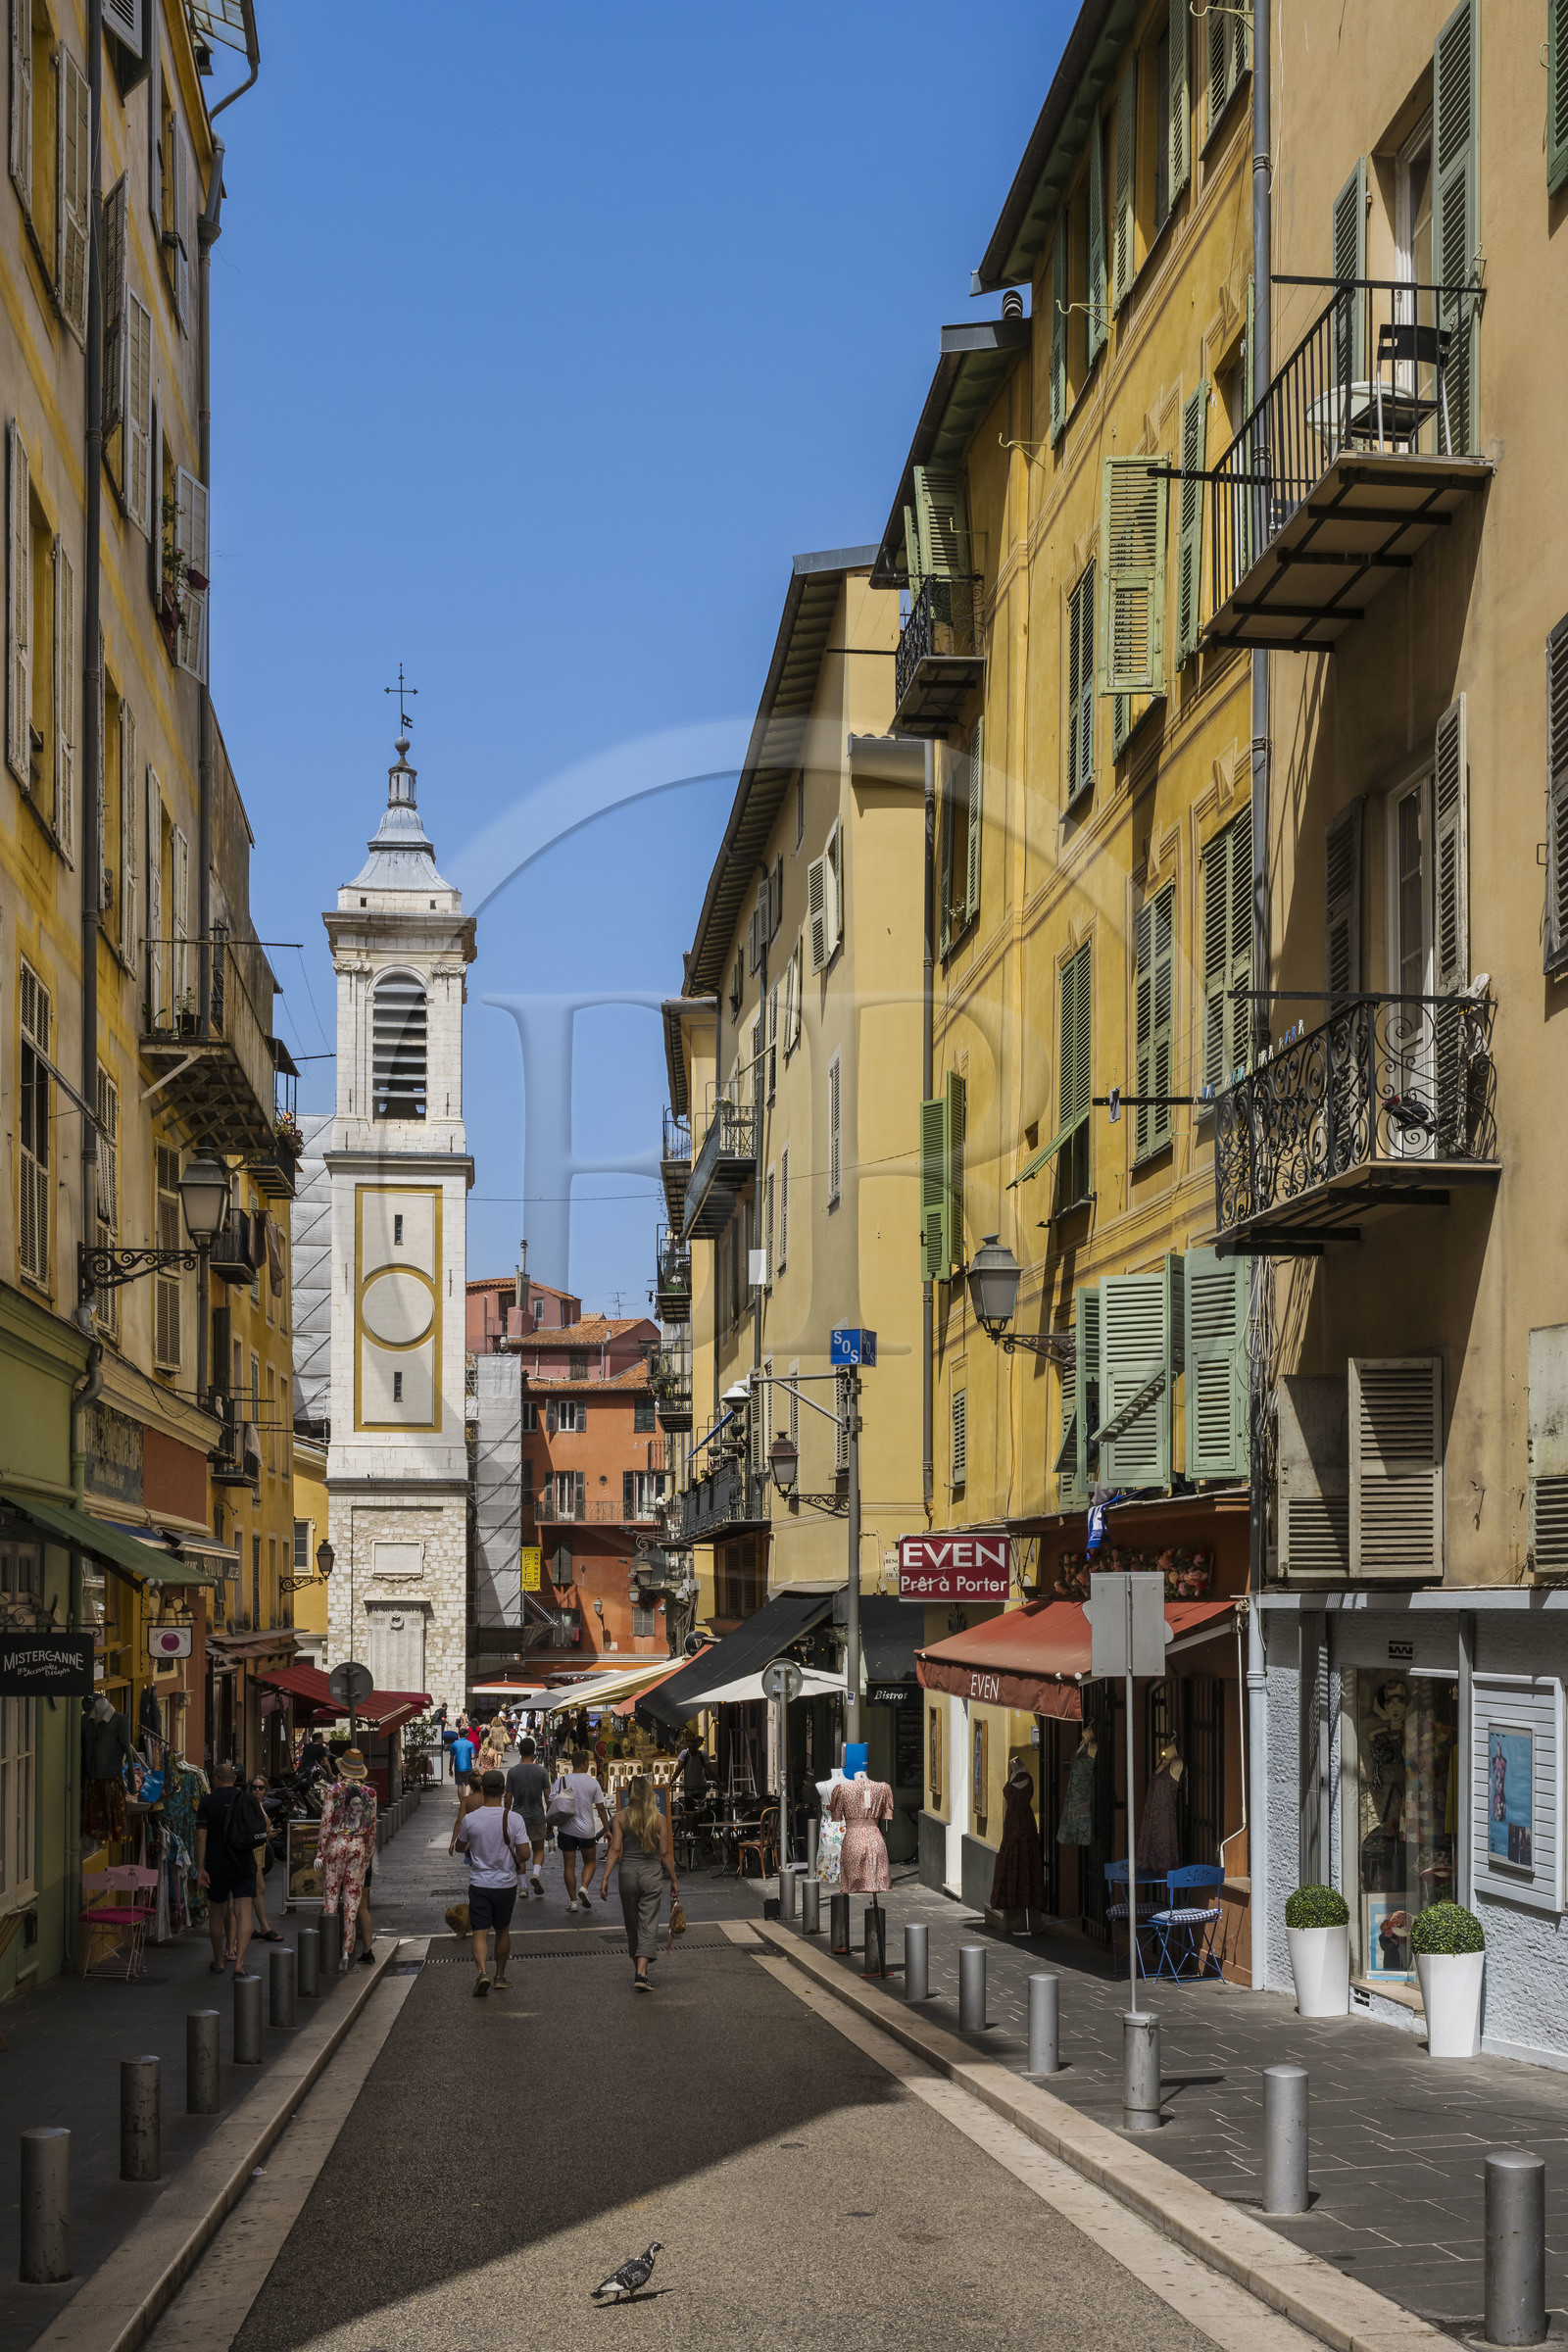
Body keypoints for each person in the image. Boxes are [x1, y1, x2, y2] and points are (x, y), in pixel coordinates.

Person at [455, 1768, 530, 1996]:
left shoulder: (470, 1819)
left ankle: (482, 1973)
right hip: (505, 1884)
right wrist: (514, 1860)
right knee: (502, 1930)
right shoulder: (514, 1818)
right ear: (504, 1791)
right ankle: (499, 1975)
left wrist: (471, 1844)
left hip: (479, 1883)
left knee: (479, 1931)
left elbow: (459, 1847)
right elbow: (525, 1853)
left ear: (482, 1790)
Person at [600, 1775, 679, 1991]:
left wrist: (605, 1877)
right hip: (651, 1874)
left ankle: (640, 1970)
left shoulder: (620, 1818)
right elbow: (664, 1853)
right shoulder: (659, 1819)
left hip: (627, 1874)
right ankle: (641, 1973)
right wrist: (673, 1878)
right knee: (648, 1924)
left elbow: (615, 1849)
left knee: (633, 1924)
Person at [194, 1762, 259, 1979]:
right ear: (234, 1778)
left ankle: (219, 1960)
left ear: (215, 1778)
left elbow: (201, 1835)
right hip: (243, 1862)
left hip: (216, 1864)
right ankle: (239, 1962)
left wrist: (200, 1866)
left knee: (217, 1913)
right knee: (244, 1913)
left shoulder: (208, 1801)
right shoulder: (248, 1799)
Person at [316, 1748, 378, 1966]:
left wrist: (320, 1852)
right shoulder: (370, 1793)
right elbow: (371, 1828)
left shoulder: (332, 1790)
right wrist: (368, 1854)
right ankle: (346, 1951)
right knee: (353, 1901)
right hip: (358, 1845)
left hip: (335, 1844)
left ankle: (329, 1950)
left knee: (331, 1897)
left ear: (343, 1768)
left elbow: (325, 1823)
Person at [550, 1747, 611, 1913]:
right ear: (585, 1763)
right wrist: (607, 1829)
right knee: (589, 1862)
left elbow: (551, 1804)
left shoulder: (561, 1781)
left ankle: (573, 1902)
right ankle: (584, 1887)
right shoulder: (593, 1782)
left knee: (569, 1866)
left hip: (566, 1830)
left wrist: (550, 1824)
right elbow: (600, 1808)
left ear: (571, 1763)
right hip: (587, 1830)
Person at [504, 1736, 551, 1899]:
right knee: (538, 1849)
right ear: (534, 1751)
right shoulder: (542, 1771)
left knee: (520, 1852)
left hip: (517, 1817)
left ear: (520, 1751)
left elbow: (508, 1797)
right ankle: (536, 1874)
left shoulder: (512, 1772)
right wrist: (549, 1819)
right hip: (537, 1816)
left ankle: (523, 1886)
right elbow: (547, 1797)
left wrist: (506, 1816)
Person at [246, 1773, 285, 1942]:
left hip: (260, 1849)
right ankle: (263, 1927)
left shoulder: (259, 1804)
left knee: (253, 1890)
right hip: (253, 1849)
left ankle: (249, 1927)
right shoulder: (250, 1804)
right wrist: (266, 1834)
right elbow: (250, 1830)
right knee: (257, 1888)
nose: (257, 1790)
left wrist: (269, 1833)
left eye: (260, 1787)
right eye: (254, 1787)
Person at [450, 1722, 478, 1795]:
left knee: (459, 1785)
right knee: (468, 1784)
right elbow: (473, 1756)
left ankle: (461, 1802)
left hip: (458, 1768)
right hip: (468, 1767)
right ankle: (466, 1798)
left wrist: (450, 1768)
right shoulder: (470, 1743)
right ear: (466, 1734)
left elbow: (452, 1757)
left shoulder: (454, 1744)